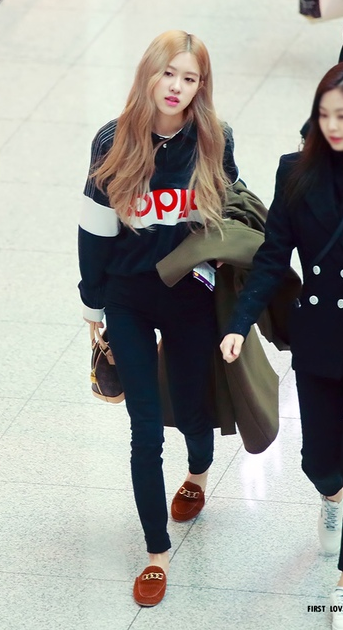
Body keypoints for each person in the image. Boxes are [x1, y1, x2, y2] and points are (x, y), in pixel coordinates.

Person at [77, 30, 238, 607]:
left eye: (189, 78)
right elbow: (94, 228)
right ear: (148, 74)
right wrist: (92, 302)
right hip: (128, 296)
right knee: (144, 428)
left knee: (192, 408)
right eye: (168, 73)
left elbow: (232, 213)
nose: (176, 87)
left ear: (201, 86)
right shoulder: (113, 139)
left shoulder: (214, 138)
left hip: (190, 295)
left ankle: (198, 473)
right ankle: (155, 551)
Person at [219, 61, 343, 630]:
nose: (332, 126)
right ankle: (331, 500)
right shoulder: (295, 170)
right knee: (318, 461)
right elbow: (272, 255)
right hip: (318, 332)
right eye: (324, 114)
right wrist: (239, 323)